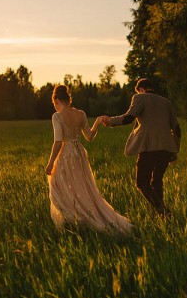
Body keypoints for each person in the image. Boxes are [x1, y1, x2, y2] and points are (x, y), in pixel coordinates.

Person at [45, 85, 132, 233]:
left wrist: (50, 163)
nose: (54, 106)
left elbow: (58, 141)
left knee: (58, 186)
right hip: (79, 153)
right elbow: (90, 137)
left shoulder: (57, 116)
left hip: (66, 155)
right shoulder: (81, 114)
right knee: (81, 186)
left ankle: (76, 219)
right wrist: (97, 123)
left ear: (57, 100)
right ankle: (79, 218)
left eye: (54, 102)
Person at [102, 78, 181, 218]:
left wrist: (110, 121)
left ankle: (162, 210)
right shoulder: (166, 102)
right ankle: (160, 215)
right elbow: (177, 129)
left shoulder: (140, 97)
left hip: (149, 146)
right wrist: (175, 150)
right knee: (156, 181)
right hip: (166, 148)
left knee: (141, 182)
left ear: (141, 89)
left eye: (138, 91)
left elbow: (129, 118)